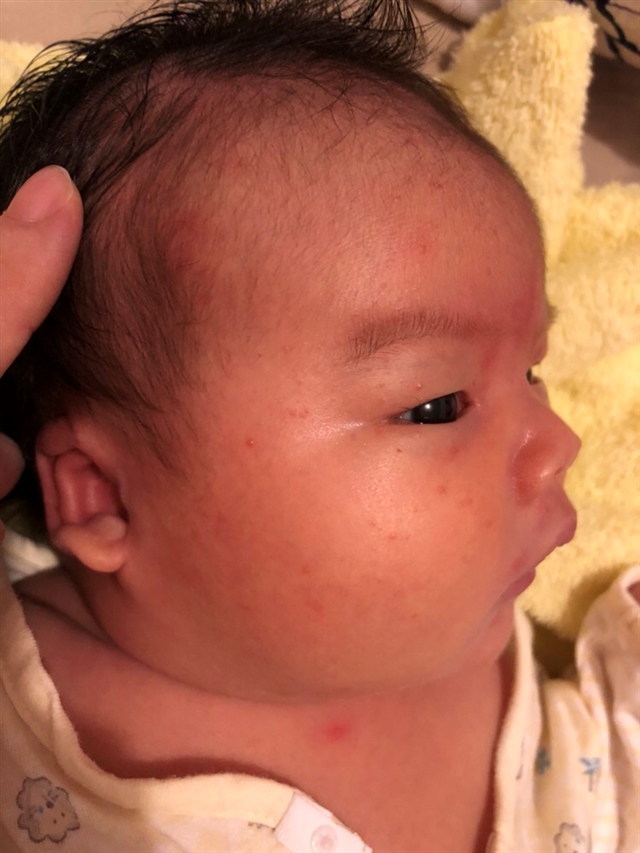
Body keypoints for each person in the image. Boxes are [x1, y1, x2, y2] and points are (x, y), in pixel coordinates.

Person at [0, 2, 637, 851]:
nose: (559, 442)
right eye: (435, 404)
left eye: (532, 371)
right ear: (104, 495)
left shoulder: (478, 637)